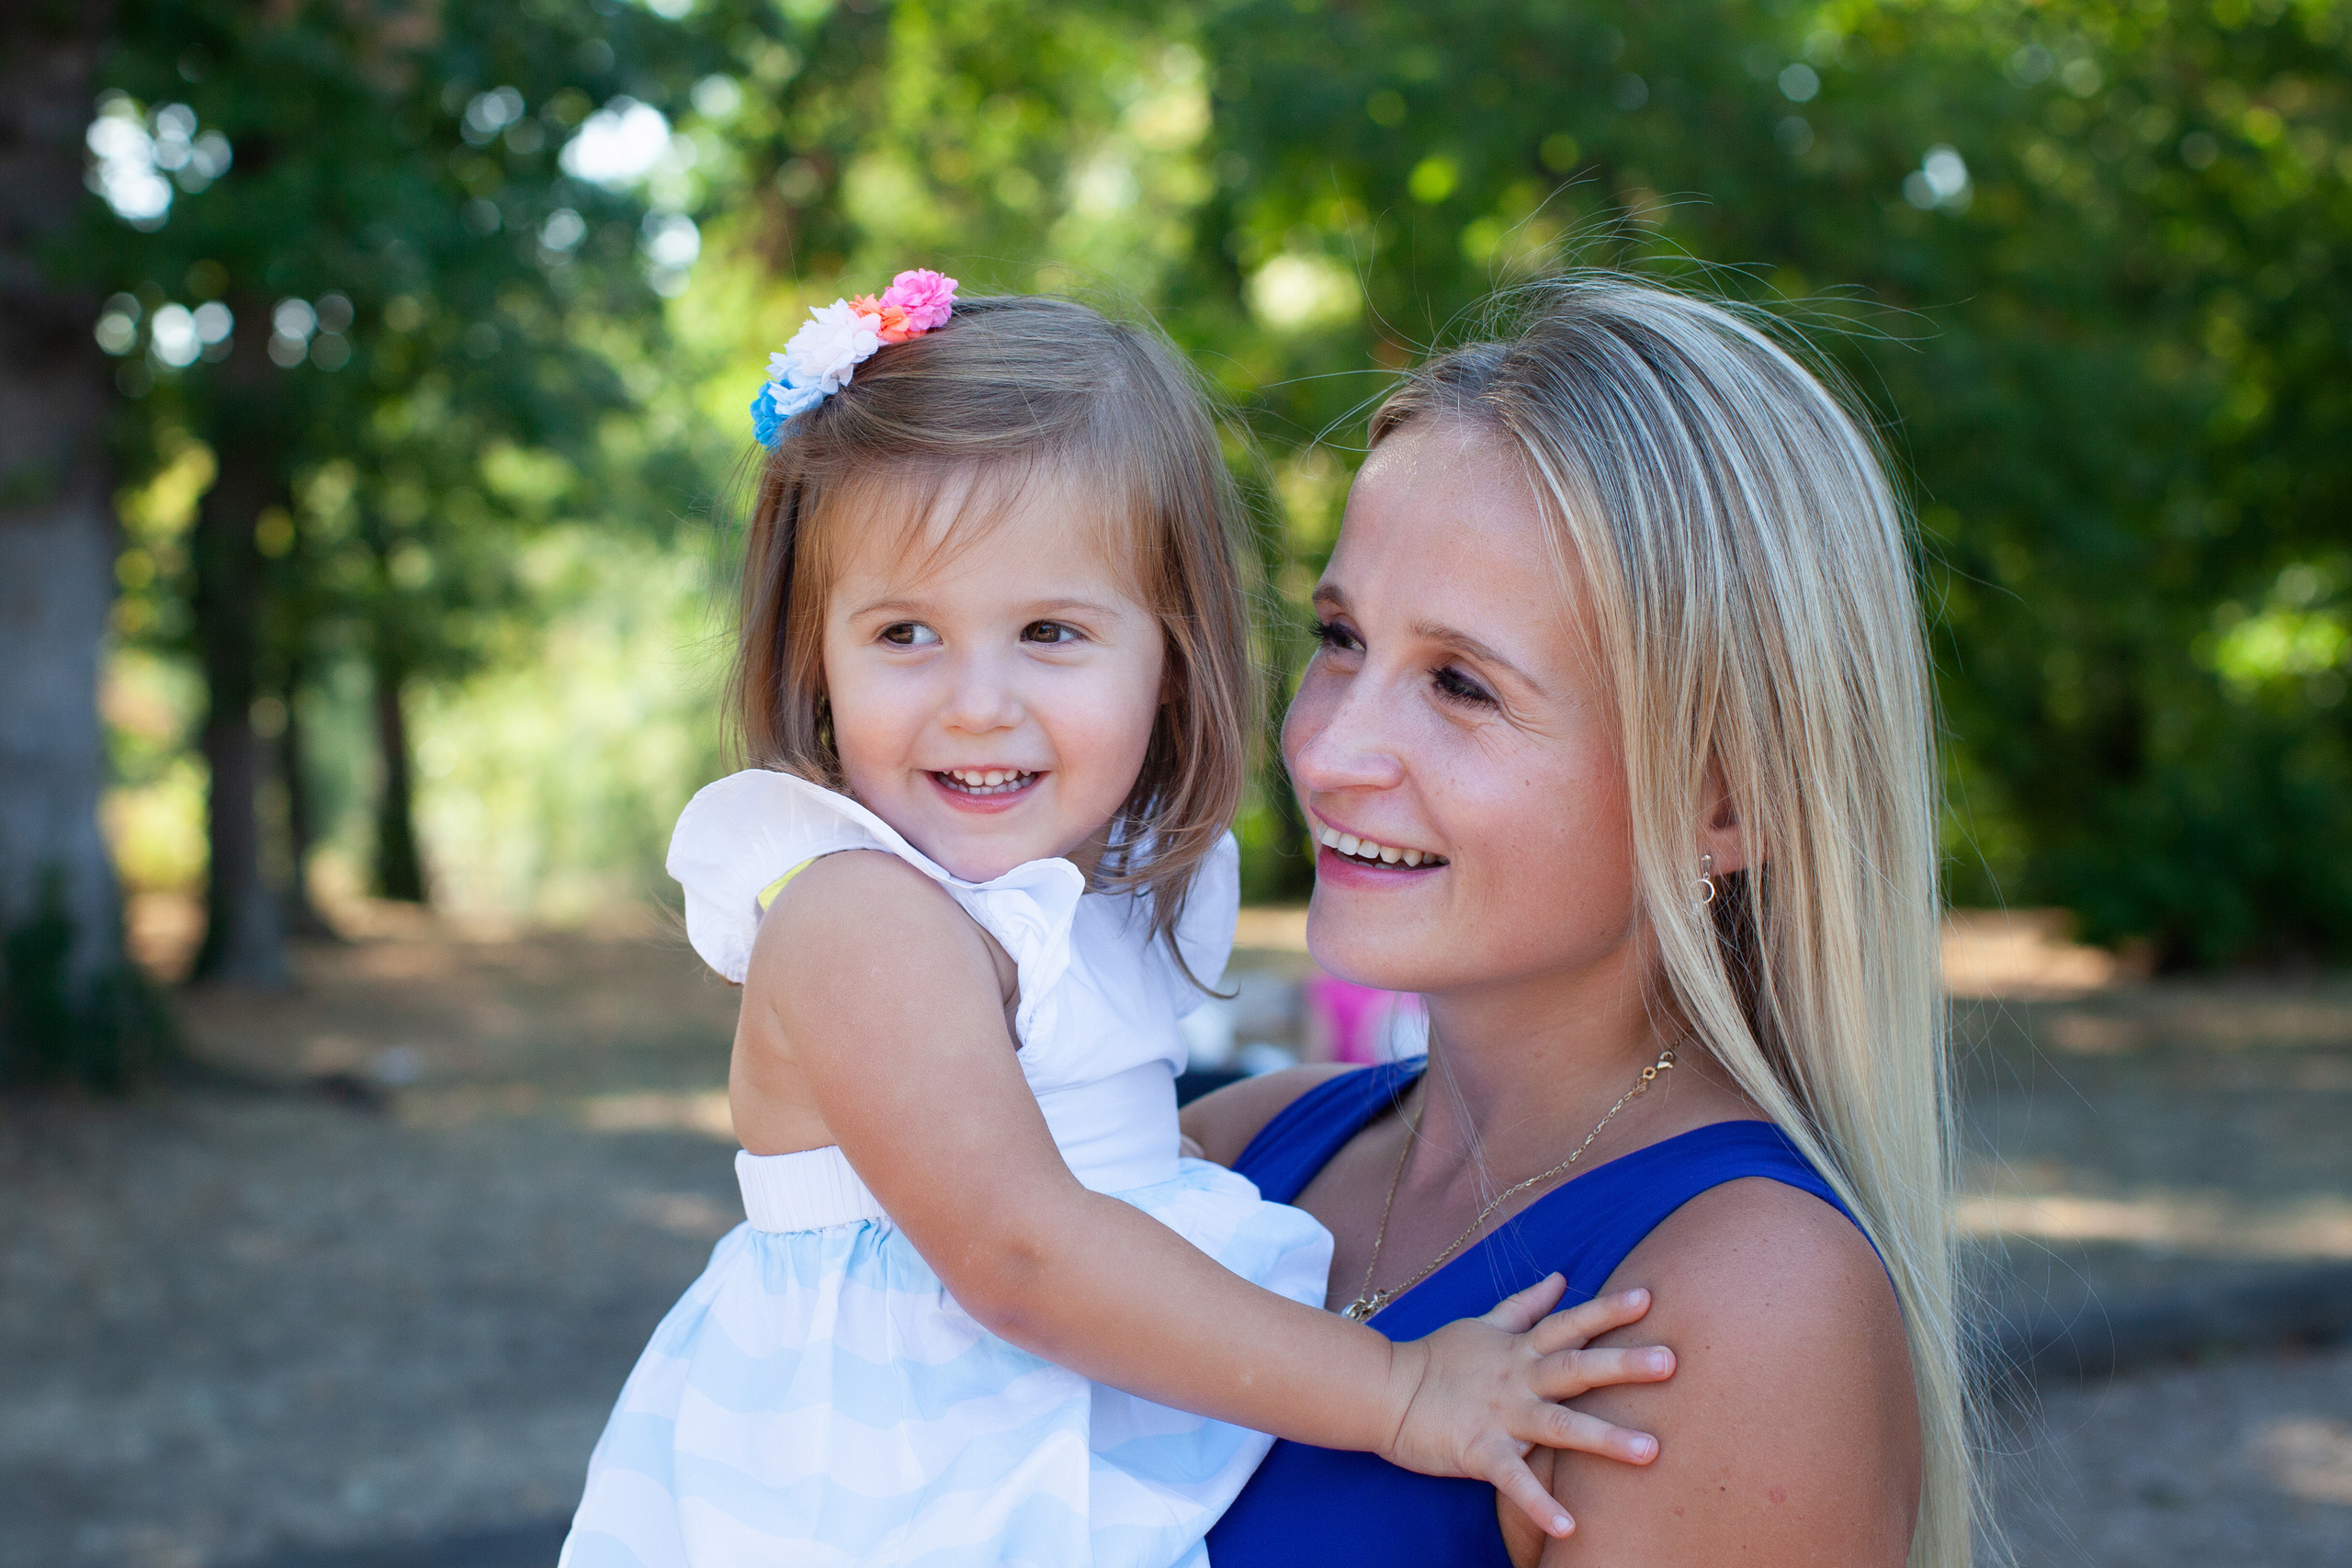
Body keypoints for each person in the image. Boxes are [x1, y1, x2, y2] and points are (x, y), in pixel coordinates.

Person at [560, 276, 1675, 1568]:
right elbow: (1022, 1256)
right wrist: (1400, 1390)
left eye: (1048, 631)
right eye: (904, 633)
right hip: (879, 1499)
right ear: (817, 663)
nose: (977, 702)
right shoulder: (857, 914)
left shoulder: (1100, 899)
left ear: (1171, 657)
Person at [1188, 274, 1973, 1567]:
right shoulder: (1234, 1151)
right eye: (1340, 638)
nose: (1324, 751)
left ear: (1727, 798)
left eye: (1461, 684)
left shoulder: (1744, 1306)